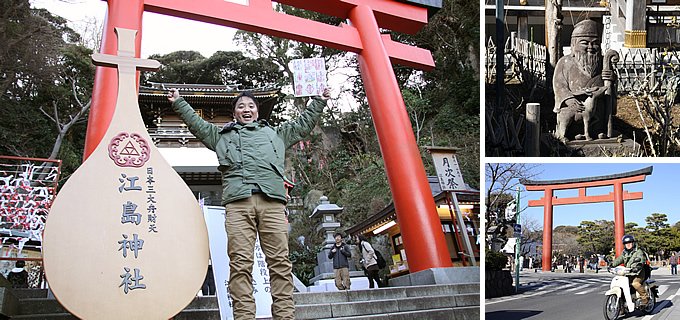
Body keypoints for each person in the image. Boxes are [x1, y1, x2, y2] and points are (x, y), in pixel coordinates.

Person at [168, 87, 330, 319]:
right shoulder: (221, 137)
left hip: (272, 202)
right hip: (237, 204)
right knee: (240, 265)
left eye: (251, 106)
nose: (246, 109)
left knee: (280, 264)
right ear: (234, 113)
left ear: (257, 111)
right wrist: (178, 102)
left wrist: (320, 101)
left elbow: (303, 124)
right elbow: (197, 124)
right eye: (241, 106)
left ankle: (285, 316)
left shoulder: (277, 133)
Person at [553, 19, 615, 143]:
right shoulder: (565, 62)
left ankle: (598, 130)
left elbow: (609, 89)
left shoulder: (604, 63)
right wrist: (569, 99)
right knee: (571, 116)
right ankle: (572, 133)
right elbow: (559, 85)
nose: (590, 47)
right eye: (585, 43)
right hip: (574, 106)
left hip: (597, 106)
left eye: (595, 43)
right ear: (573, 44)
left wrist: (612, 78)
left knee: (598, 109)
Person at [609, 234, 649, 306]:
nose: (628, 245)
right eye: (626, 243)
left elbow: (641, 260)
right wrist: (612, 264)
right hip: (628, 272)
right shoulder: (625, 252)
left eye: (630, 243)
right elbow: (619, 259)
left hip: (638, 273)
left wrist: (638, 267)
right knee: (621, 285)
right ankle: (622, 305)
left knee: (635, 284)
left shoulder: (638, 252)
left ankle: (645, 298)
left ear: (633, 243)